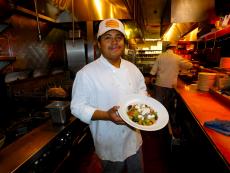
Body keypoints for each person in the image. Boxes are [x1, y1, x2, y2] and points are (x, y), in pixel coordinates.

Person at [70, 18, 147, 173]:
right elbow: (77, 107)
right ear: (99, 44)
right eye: (108, 37)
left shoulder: (132, 68)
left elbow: (141, 90)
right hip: (109, 145)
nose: (114, 42)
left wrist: (144, 102)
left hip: (134, 141)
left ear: (123, 42)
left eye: (118, 37)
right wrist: (106, 115)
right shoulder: (86, 73)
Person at [150, 43, 193, 138]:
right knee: (168, 104)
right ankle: (165, 122)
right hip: (171, 84)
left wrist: (152, 77)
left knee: (158, 103)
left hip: (159, 83)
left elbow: (154, 70)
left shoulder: (160, 56)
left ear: (166, 48)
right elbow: (189, 65)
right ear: (174, 48)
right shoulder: (177, 57)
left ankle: (155, 122)